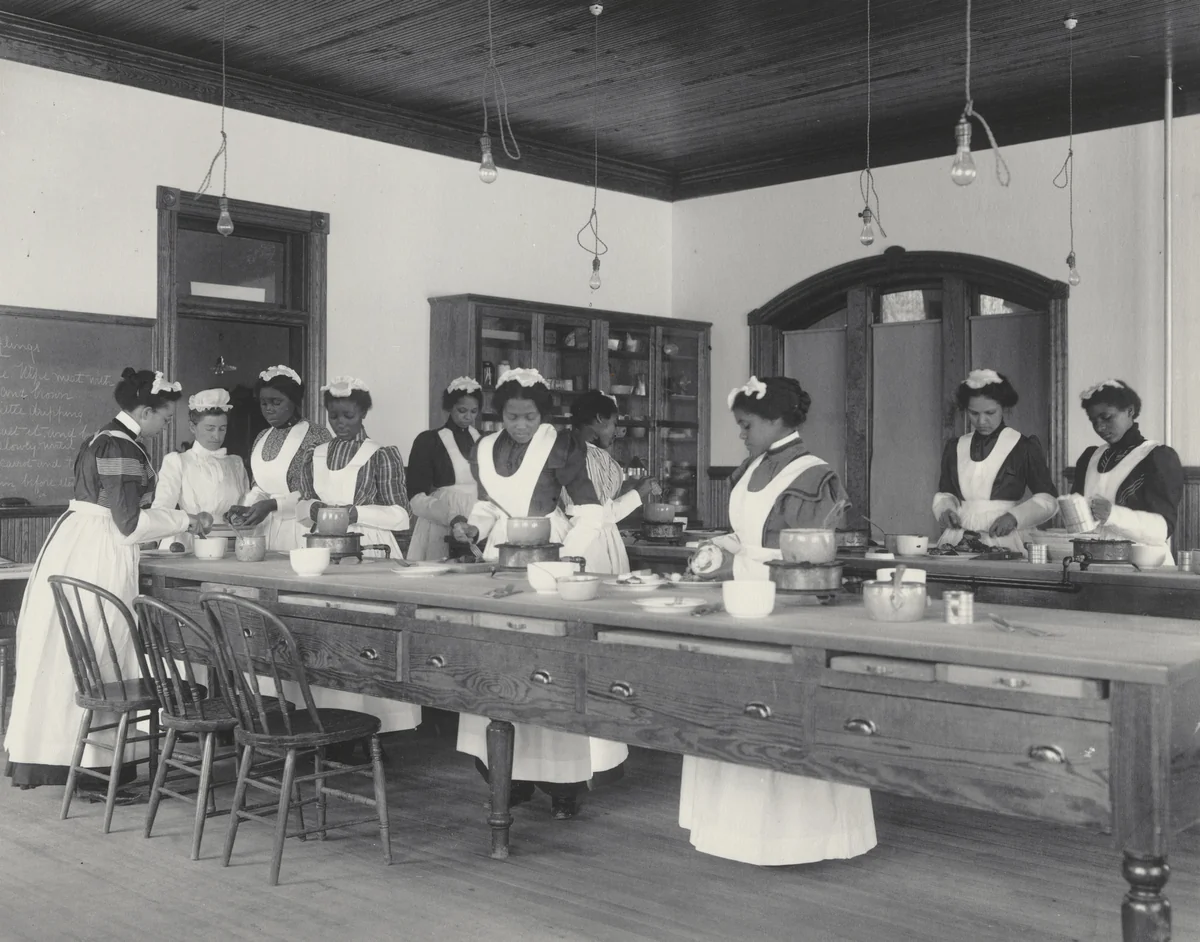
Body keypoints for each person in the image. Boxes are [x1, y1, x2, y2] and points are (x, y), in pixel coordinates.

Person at [683, 375, 876, 865]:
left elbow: (807, 558)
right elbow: (746, 535)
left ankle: (796, 839)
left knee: (778, 712)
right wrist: (716, 550)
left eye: (747, 425)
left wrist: (737, 563)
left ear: (776, 420)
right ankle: (732, 831)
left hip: (790, 606)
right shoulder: (751, 468)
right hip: (744, 601)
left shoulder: (814, 476)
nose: (741, 434)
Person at [4, 369, 207, 790]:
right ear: (146, 411)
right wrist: (187, 520)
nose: (166, 425)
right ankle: (93, 769)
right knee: (102, 648)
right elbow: (128, 526)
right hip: (98, 553)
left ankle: (64, 757)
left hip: (76, 543)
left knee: (73, 651)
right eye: (165, 418)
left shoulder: (105, 437)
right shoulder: (120, 446)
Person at [449, 367, 615, 819]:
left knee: (549, 666)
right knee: (497, 660)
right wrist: (473, 526)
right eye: (511, 416)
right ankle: (509, 775)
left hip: (550, 552)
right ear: (498, 413)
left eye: (529, 416)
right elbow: (485, 504)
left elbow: (591, 512)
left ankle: (564, 782)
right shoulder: (484, 447)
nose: (520, 425)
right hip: (500, 556)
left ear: (544, 414)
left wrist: (564, 561)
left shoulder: (562, 445)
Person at [292, 375, 419, 734]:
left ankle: (373, 726)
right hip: (323, 550)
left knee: (365, 637)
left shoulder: (381, 455)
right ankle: (329, 721)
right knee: (325, 636)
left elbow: (400, 515)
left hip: (371, 550)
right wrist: (315, 509)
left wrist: (355, 514)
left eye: (348, 415)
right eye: (334, 416)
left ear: (363, 413)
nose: (340, 423)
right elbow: (301, 505)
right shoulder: (313, 455)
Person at [931, 369, 1058, 554]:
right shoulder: (955, 447)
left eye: (990, 412)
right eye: (974, 413)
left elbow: (1048, 500)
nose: (982, 421)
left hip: (1005, 537)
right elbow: (946, 494)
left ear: (1004, 408)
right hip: (959, 537)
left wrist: (1015, 517)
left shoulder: (1023, 446)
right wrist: (946, 510)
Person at [1071, 379, 1182, 563]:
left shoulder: (1156, 457)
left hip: (1145, 564)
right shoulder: (1090, 458)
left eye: (1107, 418)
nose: (1100, 427)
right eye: (1093, 421)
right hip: (1095, 563)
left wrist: (1112, 515)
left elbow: (1162, 529)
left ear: (1130, 411)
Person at [226, 366, 331, 550]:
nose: (269, 409)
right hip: (265, 530)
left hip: (301, 529)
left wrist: (274, 505)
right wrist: (248, 509)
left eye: (276, 402)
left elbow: (320, 493)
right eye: (264, 403)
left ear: (294, 401)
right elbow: (259, 488)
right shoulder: (262, 437)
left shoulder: (316, 435)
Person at [566, 389, 660, 574]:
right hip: (588, 544)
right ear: (600, 419)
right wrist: (639, 493)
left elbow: (603, 497)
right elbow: (599, 513)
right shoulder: (580, 455)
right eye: (614, 424)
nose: (616, 431)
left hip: (597, 539)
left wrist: (634, 487)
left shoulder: (592, 453)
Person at [153, 387, 250, 552]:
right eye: (210, 428)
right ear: (192, 427)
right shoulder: (178, 461)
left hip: (230, 544)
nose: (217, 436)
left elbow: (245, 506)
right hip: (189, 543)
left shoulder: (235, 463)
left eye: (222, 428)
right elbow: (161, 509)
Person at [406, 376, 483, 561]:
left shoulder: (483, 441)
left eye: (474, 412)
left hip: (477, 519)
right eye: (462, 410)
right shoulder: (428, 441)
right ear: (449, 408)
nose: (468, 417)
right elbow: (416, 498)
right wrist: (452, 517)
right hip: (441, 518)